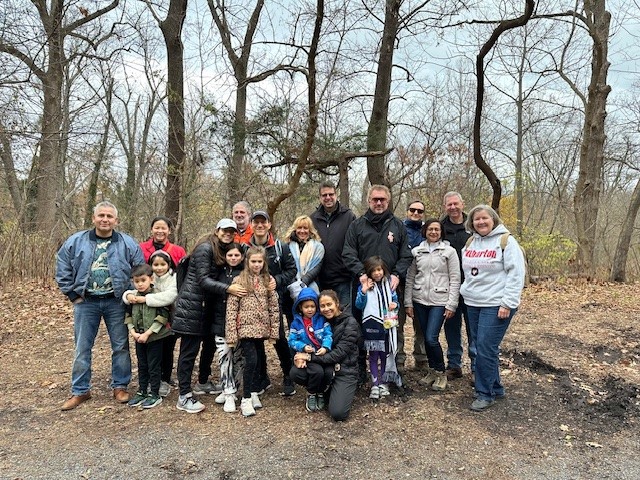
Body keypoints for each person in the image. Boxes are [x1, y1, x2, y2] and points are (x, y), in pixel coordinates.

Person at [56, 201, 144, 411]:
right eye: (101, 215)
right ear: (93, 218)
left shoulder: (127, 243)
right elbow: (62, 265)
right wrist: (72, 293)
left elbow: (140, 270)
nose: (105, 219)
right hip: (86, 302)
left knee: (120, 346)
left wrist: (130, 295)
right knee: (82, 347)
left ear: (116, 220)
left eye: (109, 216)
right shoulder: (76, 241)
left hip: (116, 302)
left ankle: (120, 386)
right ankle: (80, 390)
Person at [172, 219, 247, 413]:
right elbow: (203, 280)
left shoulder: (221, 250)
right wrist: (229, 288)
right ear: (217, 230)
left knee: (208, 347)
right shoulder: (205, 248)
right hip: (192, 307)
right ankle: (184, 396)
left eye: (231, 231)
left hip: (205, 307)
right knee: (189, 352)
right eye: (225, 230)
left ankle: (202, 382)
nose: (228, 234)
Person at [342, 184, 412, 385]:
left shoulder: (398, 226)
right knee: (362, 328)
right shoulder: (357, 225)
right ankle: (362, 370)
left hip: (390, 288)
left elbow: (406, 255)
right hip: (365, 287)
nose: (379, 202)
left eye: (382, 199)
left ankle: (394, 370)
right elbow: (348, 253)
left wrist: (397, 274)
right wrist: (361, 274)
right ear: (369, 201)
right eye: (375, 199)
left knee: (393, 327)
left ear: (388, 201)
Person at [460, 205, 526, 411]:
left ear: (493, 220)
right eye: (476, 219)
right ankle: (495, 387)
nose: (480, 222)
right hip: (473, 303)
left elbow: (516, 275)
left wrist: (507, 303)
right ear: (472, 223)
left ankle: (484, 394)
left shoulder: (506, 242)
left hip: (496, 304)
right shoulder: (471, 242)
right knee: (481, 347)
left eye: (484, 218)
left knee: (484, 348)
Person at [244, 210, 297, 396]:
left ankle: (288, 374)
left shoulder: (281, 247)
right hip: (251, 301)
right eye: (256, 222)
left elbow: (292, 270)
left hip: (275, 300)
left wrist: (278, 280)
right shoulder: (244, 248)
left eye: (263, 222)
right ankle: (261, 377)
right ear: (251, 225)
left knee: (279, 337)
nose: (260, 225)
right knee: (256, 339)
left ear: (269, 225)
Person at [404, 219, 461, 392]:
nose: (433, 232)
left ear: (441, 232)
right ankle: (432, 370)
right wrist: (408, 302)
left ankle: (441, 373)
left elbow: (455, 278)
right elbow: (410, 278)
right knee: (425, 338)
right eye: (430, 229)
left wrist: (451, 304)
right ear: (425, 231)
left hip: (440, 300)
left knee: (431, 338)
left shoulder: (449, 252)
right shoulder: (417, 252)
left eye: (437, 229)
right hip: (420, 300)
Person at [225, 246, 280, 417]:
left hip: (261, 328)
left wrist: (274, 332)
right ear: (247, 261)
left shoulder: (268, 280)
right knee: (251, 361)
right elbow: (231, 309)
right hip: (245, 329)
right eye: (253, 261)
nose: (256, 264)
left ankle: (254, 391)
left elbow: (274, 307)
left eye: (259, 261)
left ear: (264, 262)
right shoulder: (239, 281)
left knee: (259, 360)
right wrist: (231, 335)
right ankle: (246, 398)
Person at [292, 290, 360, 421]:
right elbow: (301, 338)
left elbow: (339, 354)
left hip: (344, 370)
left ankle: (329, 391)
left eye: (329, 304)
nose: (326, 309)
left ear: (337, 303)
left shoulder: (350, 323)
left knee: (338, 413)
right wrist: (299, 355)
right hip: (325, 367)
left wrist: (310, 357)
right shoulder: (319, 321)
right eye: (322, 306)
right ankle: (318, 390)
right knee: (296, 372)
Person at [137, 216, 186, 391]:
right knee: (151, 345)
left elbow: (183, 275)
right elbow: (137, 275)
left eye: (163, 228)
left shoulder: (178, 251)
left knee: (168, 344)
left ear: (169, 231)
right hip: (146, 309)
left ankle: (165, 377)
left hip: (170, 309)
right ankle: (151, 378)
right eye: (156, 227)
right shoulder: (141, 248)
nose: (160, 231)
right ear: (151, 229)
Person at [122, 249, 178, 397]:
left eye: (162, 264)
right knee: (145, 361)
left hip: (168, 322)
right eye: (156, 264)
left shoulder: (173, 278)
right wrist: (128, 295)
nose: (159, 267)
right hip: (144, 329)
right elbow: (130, 300)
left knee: (166, 353)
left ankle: (163, 381)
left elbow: (170, 297)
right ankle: (146, 386)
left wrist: (145, 299)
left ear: (169, 264)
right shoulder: (145, 277)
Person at [355, 257, 401, 399]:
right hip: (372, 326)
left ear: (383, 270)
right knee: (373, 356)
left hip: (387, 326)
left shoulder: (389, 285)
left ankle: (384, 382)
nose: (377, 273)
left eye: (379, 270)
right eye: (373, 271)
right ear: (369, 272)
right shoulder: (365, 286)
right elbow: (359, 305)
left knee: (385, 355)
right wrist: (364, 291)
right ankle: (375, 383)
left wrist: (395, 305)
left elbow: (395, 301)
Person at [441, 192, 475, 381]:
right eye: (449, 204)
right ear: (445, 206)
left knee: (473, 328)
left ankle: (476, 366)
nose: (453, 207)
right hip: (449, 288)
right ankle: (454, 365)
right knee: (451, 327)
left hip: (472, 286)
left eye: (456, 204)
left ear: (462, 204)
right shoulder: (440, 228)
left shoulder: (473, 225)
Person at [310, 182, 356, 310]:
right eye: (324, 195)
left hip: (343, 278)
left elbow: (355, 244)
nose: (328, 197)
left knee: (344, 315)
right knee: (324, 315)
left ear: (336, 195)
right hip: (320, 279)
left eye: (331, 194)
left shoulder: (348, 216)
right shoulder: (313, 219)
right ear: (320, 197)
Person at [211, 243, 245, 413]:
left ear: (242, 256)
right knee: (224, 356)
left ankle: (233, 388)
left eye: (236, 255)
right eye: (230, 255)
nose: (233, 258)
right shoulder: (217, 272)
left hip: (240, 323)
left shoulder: (245, 274)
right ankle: (228, 392)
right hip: (220, 321)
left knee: (238, 358)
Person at [288, 288, 333, 412]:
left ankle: (321, 392)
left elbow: (328, 335)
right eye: (306, 307)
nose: (310, 309)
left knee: (328, 372)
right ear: (300, 307)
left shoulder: (321, 320)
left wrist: (325, 347)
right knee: (317, 372)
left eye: (312, 306)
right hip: (308, 356)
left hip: (322, 354)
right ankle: (312, 392)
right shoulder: (296, 323)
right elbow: (291, 340)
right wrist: (302, 347)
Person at [399, 200, 428, 371]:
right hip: (400, 282)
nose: (416, 213)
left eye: (420, 211)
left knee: (422, 324)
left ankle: (421, 357)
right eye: (412, 210)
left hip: (422, 284)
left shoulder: (427, 230)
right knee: (397, 323)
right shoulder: (399, 228)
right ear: (407, 211)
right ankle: (399, 358)